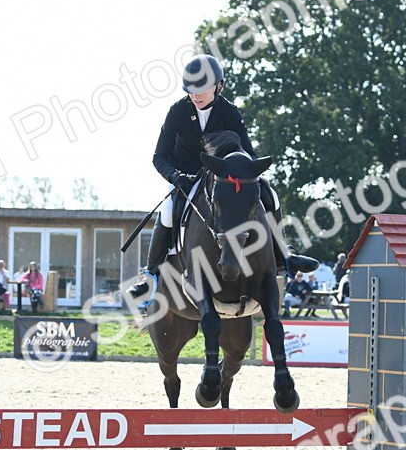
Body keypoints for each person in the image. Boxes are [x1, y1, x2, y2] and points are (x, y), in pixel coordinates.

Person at [128, 54, 316, 305]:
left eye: (202, 89)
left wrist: (242, 172)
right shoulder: (177, 112)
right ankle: (150, 274)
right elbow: (159, 156)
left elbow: (249, 153)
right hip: (185, 178)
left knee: (269, 192)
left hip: (221, 179)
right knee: (168, 209)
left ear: (218, 85)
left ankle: (283, 253)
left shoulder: (229, 112)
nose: (196, 96)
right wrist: (175, 177)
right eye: (191, 90)